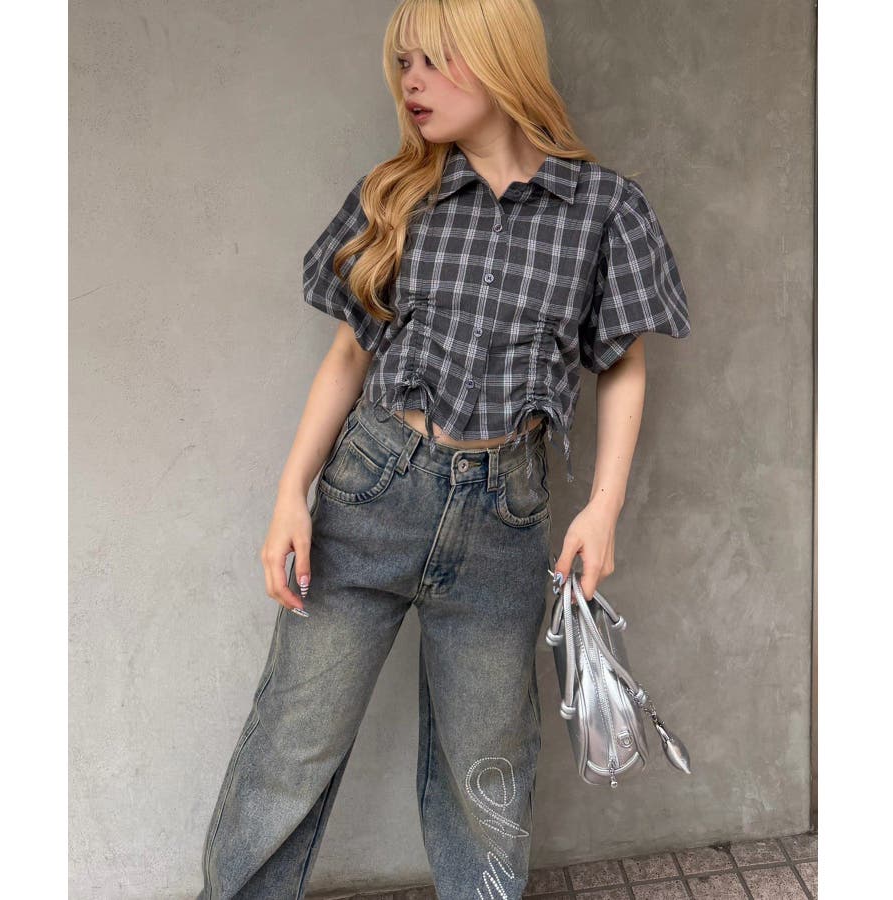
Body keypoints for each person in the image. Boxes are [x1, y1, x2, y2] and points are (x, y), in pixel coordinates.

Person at [196, 0, 691, 897]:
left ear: (501, 58)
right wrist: (289, 496)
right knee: (291, 747)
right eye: (404, 63)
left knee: (488, 772)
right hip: (371, 494)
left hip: (506, 519)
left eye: (434, 60)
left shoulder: (605, 209)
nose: (411, 83)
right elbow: (349, 356)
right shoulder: (397, 195)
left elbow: (621, 363)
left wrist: (604, 506)